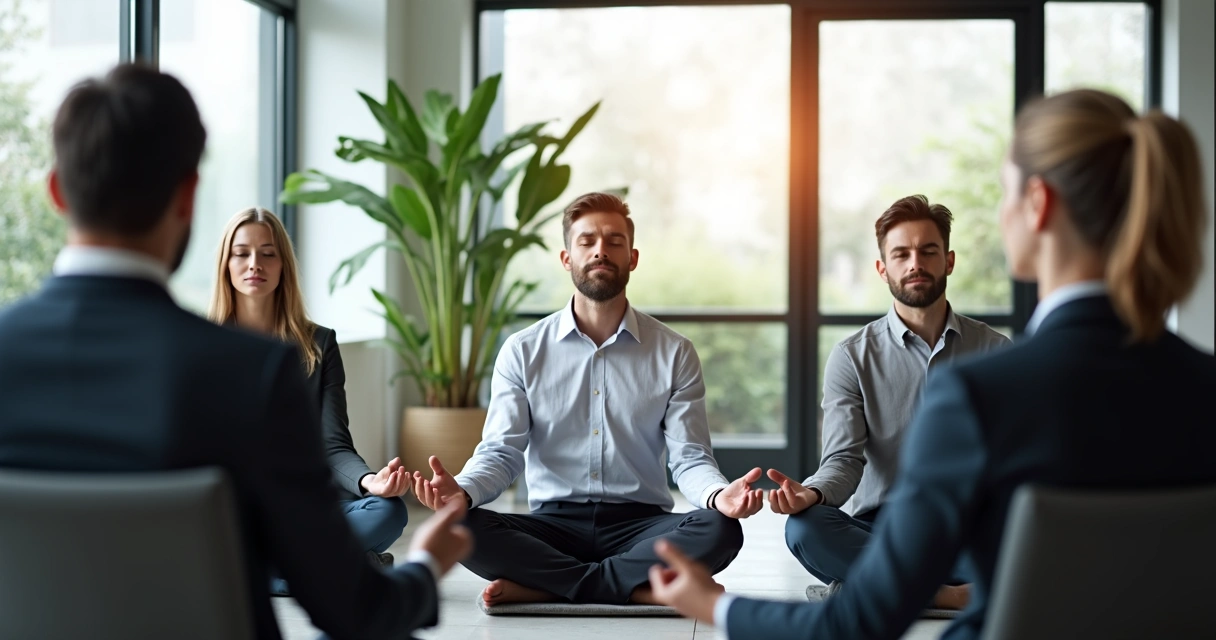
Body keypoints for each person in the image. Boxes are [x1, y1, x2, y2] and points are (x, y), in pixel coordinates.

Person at [648, 88, 1216, 639]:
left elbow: (857, 625)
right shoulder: (1203, 384)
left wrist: (716, 606)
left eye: (1005, 192)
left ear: (1038, 204)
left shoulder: (986, 386)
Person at [0, 63, 471, 640]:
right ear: (188, 194)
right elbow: (357, 612)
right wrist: (425, 565)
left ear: (55, 191)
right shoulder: (247, 371)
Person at [411, 192, 764, 607]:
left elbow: (689, 458)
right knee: (460, 525)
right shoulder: (522, 350)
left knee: (719, 529)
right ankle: (642, 591)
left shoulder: (674, 351)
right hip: (552, 525)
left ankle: (547, 587)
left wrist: (719, 497)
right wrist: (462, 492)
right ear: (566, 259)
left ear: (632, 258)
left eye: (614, 241)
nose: (601, 250)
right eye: (587, 241)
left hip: (641, 525)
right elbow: (502, 452)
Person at [766, 194, 1009, 611]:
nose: (915, 263)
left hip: (964, 530)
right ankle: (946, 596)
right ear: (883, 269)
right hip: (881, 532)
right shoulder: (851, 356)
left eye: (928, 251)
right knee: (806, 529)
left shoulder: (994, 350)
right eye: (901, 254)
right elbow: (843, 460)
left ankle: (883, 586)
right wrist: (814, 494)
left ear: (948, 261)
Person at [208, 207, 411, 592]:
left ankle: (274, 574)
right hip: (240, 511)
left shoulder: (319, 344)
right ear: (226, 263)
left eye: (268, 253)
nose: (255, 264)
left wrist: (370, 481)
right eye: (242, 253)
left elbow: (333, 446)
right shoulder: (202, 345)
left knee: (387, 511)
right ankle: (324, 569)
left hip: (306, 511)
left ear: (284, 264)